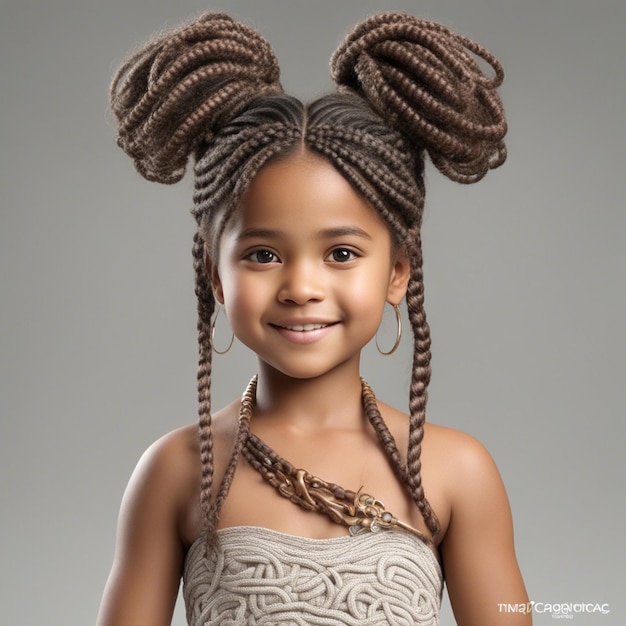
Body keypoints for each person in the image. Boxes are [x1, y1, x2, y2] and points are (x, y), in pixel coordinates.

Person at [97, 11, 531, 626]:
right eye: (263, 255)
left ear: (398, 272)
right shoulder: (175, 472)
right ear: (216, 277)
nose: (302, 286)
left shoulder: (456, 471)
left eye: (342, 254)